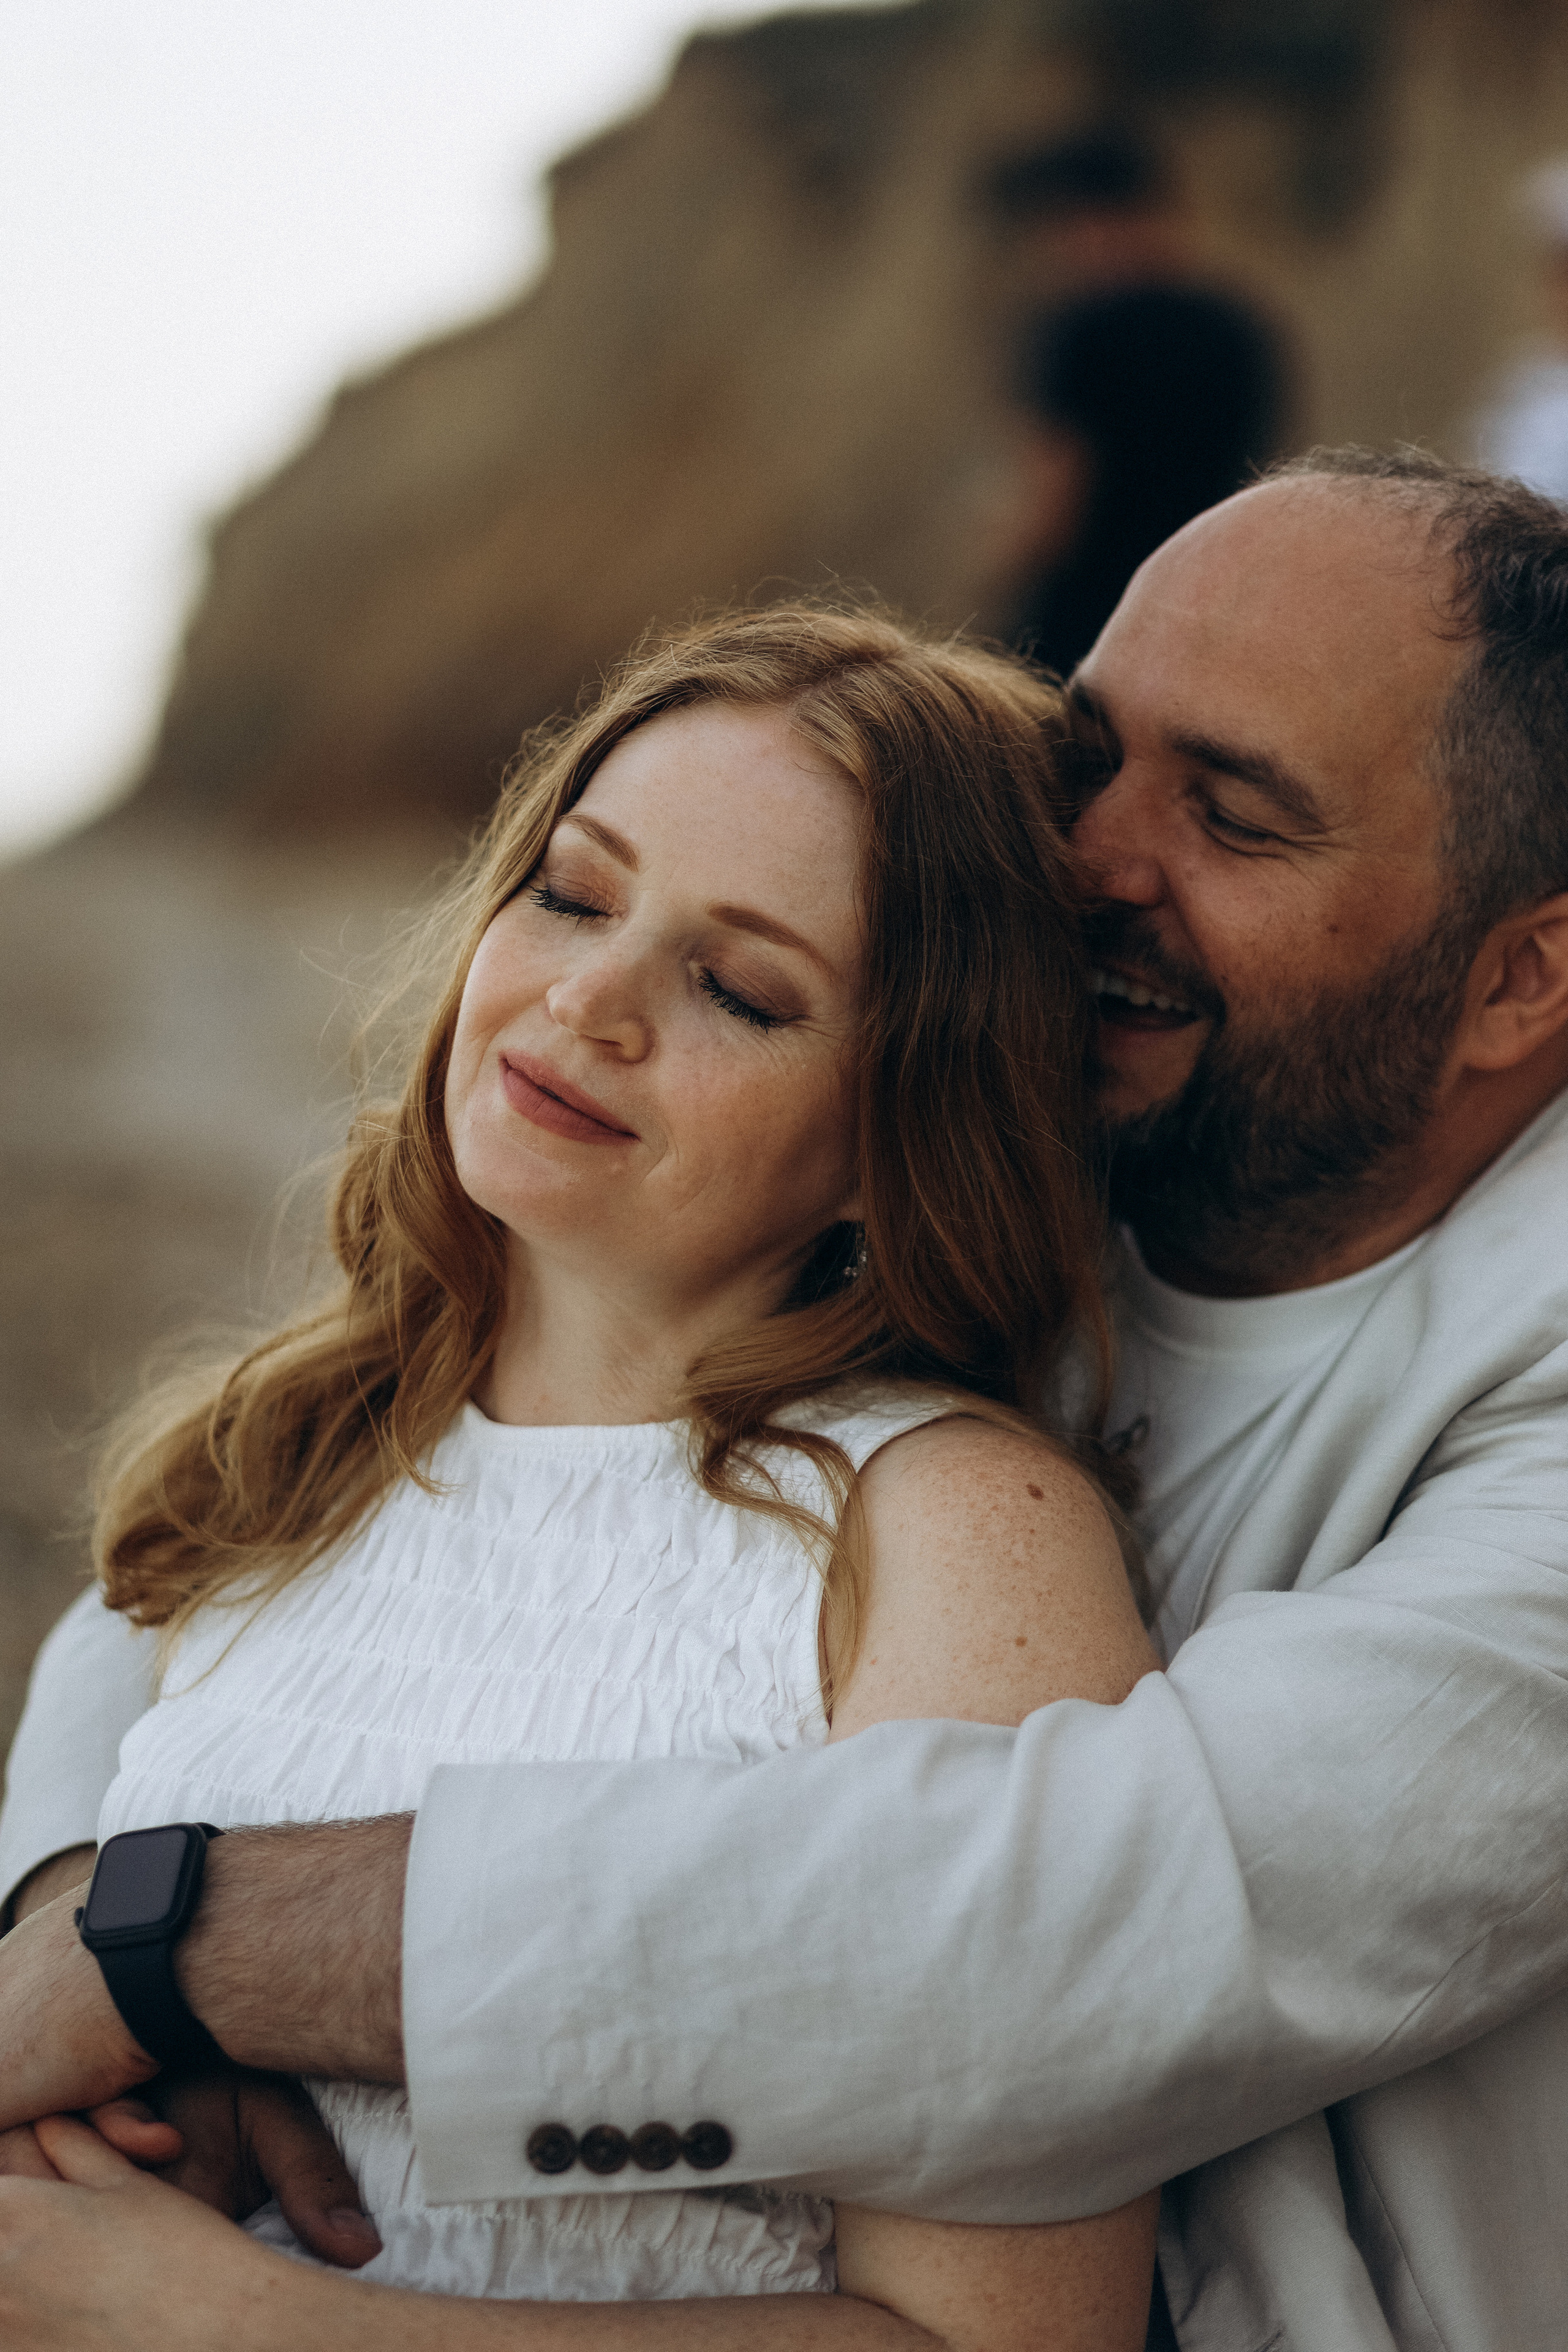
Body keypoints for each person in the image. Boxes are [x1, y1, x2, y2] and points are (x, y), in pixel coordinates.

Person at [3, 445, 1568, 2350]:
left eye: (1233, 815)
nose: (1079, 869)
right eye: (1087, 759)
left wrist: (205, 1959)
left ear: (1522, 978)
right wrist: (94, 1892)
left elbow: (1078, 1921)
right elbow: (186, 1587)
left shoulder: (1422, 1400)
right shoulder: (1112, 1132)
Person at [0, 607, 1161, 2346]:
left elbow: (1012, 2335)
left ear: (899, 1127)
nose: (589, 1000)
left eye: (741, 988)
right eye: (575, 891)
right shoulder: (286, 1462)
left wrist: (236, 2324)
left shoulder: (945, 1535)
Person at [989, 126, 1286, 677]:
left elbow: (1057, 497)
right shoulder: (1238, 326)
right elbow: (1260, 474)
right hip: (1199, 602)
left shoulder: (1081, 330)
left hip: (1087, 613)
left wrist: (1003, 586)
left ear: (1084, 220)